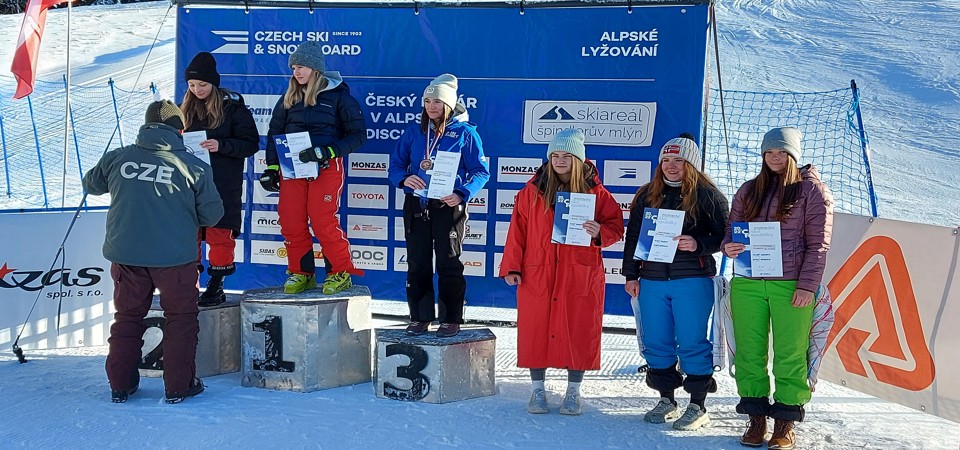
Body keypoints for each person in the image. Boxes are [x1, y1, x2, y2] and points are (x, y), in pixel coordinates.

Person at [82, 100, 223, 404]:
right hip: (175, 259)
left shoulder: (119, 157)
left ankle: (120, 385)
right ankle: (179, 386)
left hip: (127, 255)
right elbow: (212, 216)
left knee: (127, 318)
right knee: (181, 319)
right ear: (179, 130)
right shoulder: (193, 166)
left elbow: (91, 185)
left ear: (146, 126)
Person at [721, 127, 833, 449]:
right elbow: (731, 230)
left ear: (793, 155)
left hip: (791, 286)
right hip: (748, 283)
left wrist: (807, 286)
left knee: (790, 354)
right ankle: (756, 417)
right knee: (749, 352)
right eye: (769, 152)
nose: (775, 157)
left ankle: (785, 422)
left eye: (782, 152)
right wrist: (728, 246)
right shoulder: (749, 189)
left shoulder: (812, 191)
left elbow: (818, 245)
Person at [499, 128, 624, 416]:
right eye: (554, 155)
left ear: (578, 159)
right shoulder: (531, 191)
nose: (559, 160)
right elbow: (517, 231)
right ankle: (537, 390)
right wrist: (512, 266)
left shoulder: (597, 193)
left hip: (579, 273)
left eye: (566, 155)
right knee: (535, 329)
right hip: (538, 271)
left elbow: (616, 228)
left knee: (578, 328)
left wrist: (599, 232)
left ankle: (573, 391)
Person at [622, 134, 729, 431]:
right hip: (652, 279)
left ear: (690, 164)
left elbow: (725, 236)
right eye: (666, 160)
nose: (671, 166)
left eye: (678, 160)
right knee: (657, 341)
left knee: (692, 340)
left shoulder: (708, 195)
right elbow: (633, 238)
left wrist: (698, 244)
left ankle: (697, 405)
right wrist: (631, 274)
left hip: (692, 279)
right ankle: (666, 399)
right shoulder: (647, 194)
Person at [259, 41, 366, 295]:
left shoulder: (339, 97)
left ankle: (339, 272)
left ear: (315, 69)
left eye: (301, 67)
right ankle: (301, 273)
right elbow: (275, 134)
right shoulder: (289, 97)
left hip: (325, 167)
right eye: (294, 68)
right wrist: (272, 167)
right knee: (291, 219)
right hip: (292, 169)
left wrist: (327, 152)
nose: (296, 72)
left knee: (322, 219)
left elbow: (358, 135)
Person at [388, 74, 490, 338]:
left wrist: (462, 193)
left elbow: (480, 172)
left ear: (449, 105)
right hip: (417, 204)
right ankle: (420, 317)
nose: (431, 107)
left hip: (448, 206)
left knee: (448, 262)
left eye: (437, 102)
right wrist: (403, 179)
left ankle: (451, 318)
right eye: (427, 101)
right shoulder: (414, 132)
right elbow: (396, 165)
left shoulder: (465, 133)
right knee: (417, 262)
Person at [180, 51, 259, 307]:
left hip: (222, 183)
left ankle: (216, 284)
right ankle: (186, 283)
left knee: (219, 234)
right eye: (192, 85)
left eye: (202, 84)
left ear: (214, 83)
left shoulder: (233, 108)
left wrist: (221, 145)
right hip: (190, 183)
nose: (197, 90)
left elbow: (250, 144)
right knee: (188, 234)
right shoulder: (183, 108)